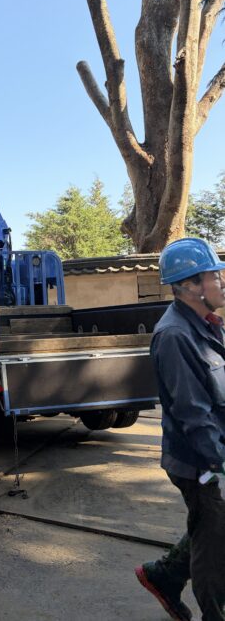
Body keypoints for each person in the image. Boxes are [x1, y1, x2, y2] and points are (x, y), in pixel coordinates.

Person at [135, 237, 225, 621]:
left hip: (212, 449)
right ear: (190, 286)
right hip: (198, 461)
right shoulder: (174, 336)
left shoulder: (208, 323)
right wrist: (219, 465)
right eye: (215, 275)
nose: (222, 282)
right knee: (215, 548)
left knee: (211, 526)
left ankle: (163, 575)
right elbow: (193, 413)